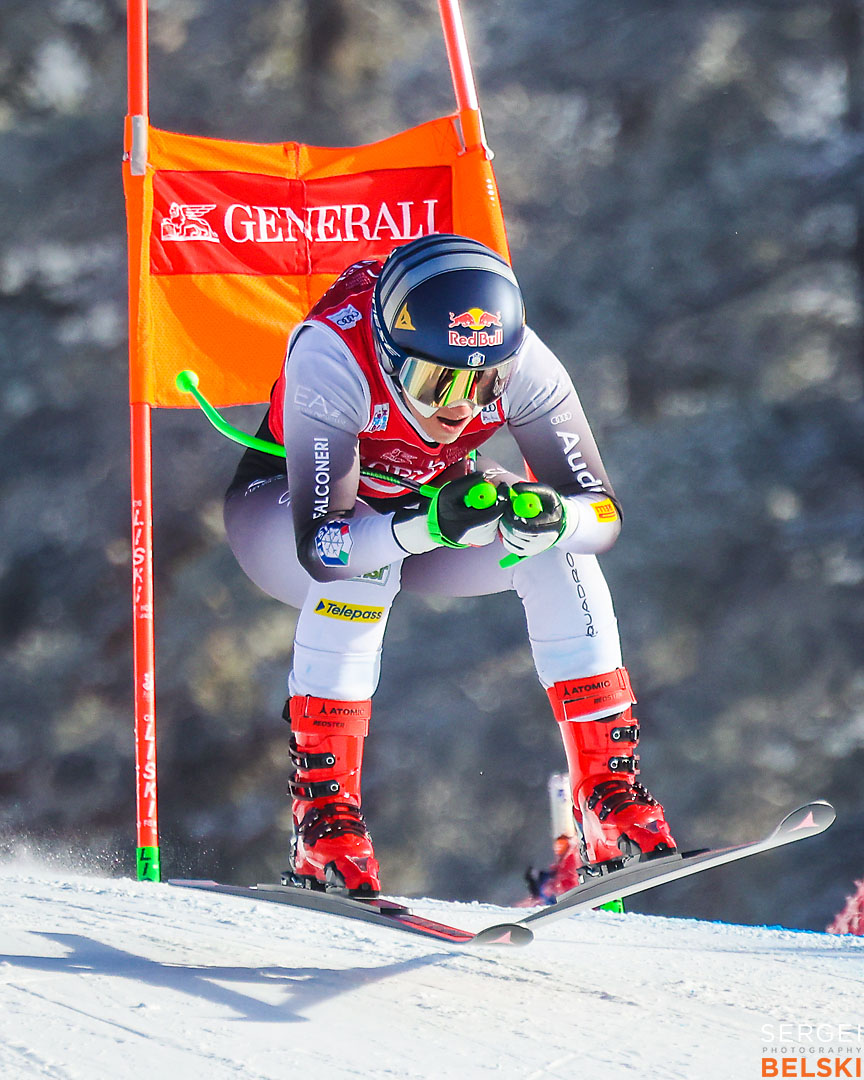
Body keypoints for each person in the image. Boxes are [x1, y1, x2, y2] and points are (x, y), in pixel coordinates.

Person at [223, 233, 676, 897]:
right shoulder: (332, 352)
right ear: (387, 351)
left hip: (432, 504)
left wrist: (557, 516)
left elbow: (602, 517)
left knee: (553, 549)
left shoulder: (527, 361)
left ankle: (607, 797)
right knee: (365, 562)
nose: (461, 405)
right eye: (436, 381)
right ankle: (321, 821)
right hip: (290, 518)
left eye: (483, 382)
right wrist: (418, 526)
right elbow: (324, 547)